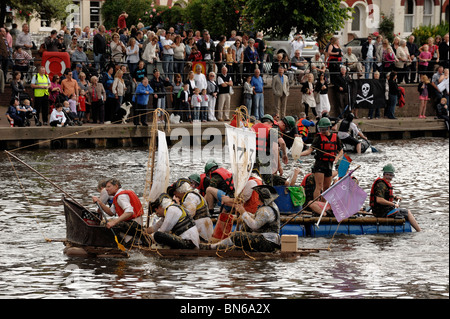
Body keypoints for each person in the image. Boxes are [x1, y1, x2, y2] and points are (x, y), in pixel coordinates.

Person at [202, 185, 281, 253]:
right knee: (245, 225)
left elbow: (254, 226)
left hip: (268, 243)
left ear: (261, 199)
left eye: (258, 198)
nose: (257, 199)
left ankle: (213, 247)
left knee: (237, 236)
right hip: (268, 239)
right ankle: (235, 245)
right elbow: (258, 219)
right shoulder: (273, 206)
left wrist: (243, 212)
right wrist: (247, 214)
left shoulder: (265, 210)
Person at [300, 117, 343, 200]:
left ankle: (323, 205)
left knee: (327, 188)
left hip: (329, 165)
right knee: (319, 186)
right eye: (321, 129)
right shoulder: (318, 138)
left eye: (324, 129)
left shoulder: (335, 137)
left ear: (329, 128)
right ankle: (316, 204)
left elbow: (341, 151)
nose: (322, 131)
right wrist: (299, 154)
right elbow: (309, 150)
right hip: (319, 165)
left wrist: (337, 158)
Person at [93, 178, 147, 244]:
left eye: (109, 187)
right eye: (106, 187)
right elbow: (111, 212)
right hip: (133, 223)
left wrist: (114, 222)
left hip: (135, 224)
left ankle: (128, 241)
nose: (106, 189)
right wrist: (100, 203)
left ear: (116, 186)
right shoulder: (117, 196)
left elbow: (129, 212)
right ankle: (129, 240)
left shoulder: (121, 196)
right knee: (109, 223)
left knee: (105, 225)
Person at [369, 164, 421, 232]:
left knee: (402, 212)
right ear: (384, 175)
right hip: (381, 212)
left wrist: (394, 197)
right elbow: (379, 200)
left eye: (391, 176)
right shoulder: (381, 185)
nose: (389, 177)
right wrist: (393, 204)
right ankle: (419, 231)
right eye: (387, 175)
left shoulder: (384, 184)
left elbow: (385, 195)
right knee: (407, 212)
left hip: (383, 210)